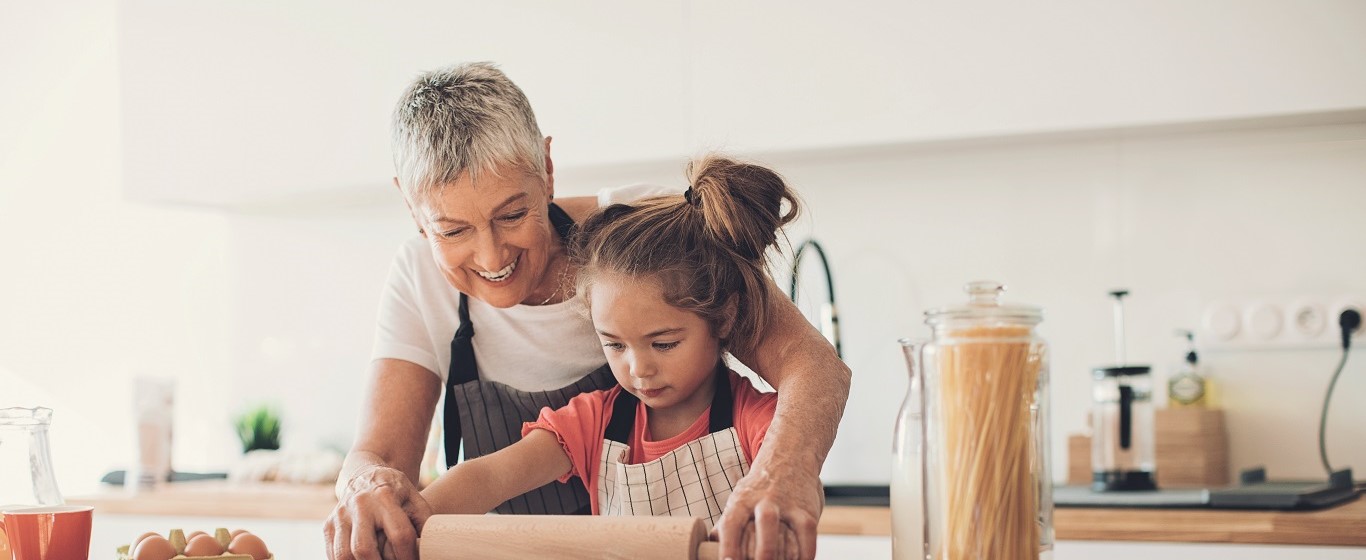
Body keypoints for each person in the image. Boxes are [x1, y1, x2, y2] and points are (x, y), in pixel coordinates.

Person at [323, 62, 850, 560]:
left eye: (513, 214)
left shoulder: (643, 238)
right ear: (412, 208)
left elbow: (809, 362)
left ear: (547, 169)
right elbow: (384, 460)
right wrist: (371, 494)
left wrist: (782, 472)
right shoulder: (417, 277)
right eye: (452, 230)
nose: (491, 256)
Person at [421, 154, 796, 544]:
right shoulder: (593, 422)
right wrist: (418, 512)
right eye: (614, 345)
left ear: (724, 319)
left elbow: (796, 486)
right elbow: (490, 475)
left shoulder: (757, 420)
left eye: (663, 343)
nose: (639, 368)